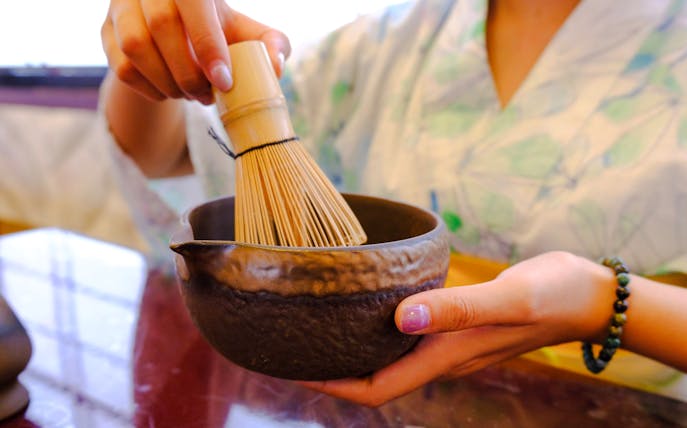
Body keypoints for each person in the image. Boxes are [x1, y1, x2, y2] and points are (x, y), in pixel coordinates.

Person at [99, 0, 687, 406]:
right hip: (371, 406)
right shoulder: (386, 41)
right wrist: (160, 47)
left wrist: (603, 303)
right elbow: (169, 152)